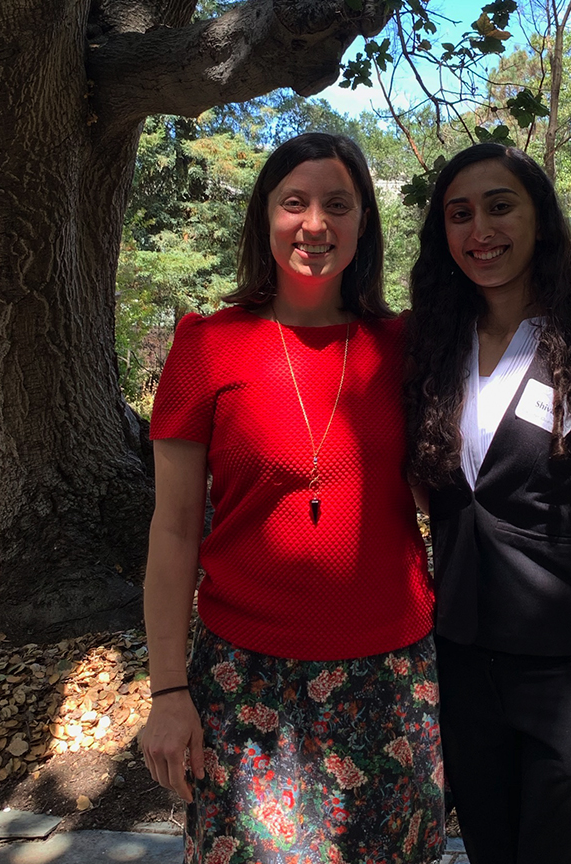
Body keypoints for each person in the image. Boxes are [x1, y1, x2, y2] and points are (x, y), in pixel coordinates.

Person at [141, 133, 445, 864]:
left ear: (364, 220)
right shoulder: (207, 346)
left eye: (338, 204)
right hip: (245, 678)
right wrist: (167, 691)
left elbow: (445, 500)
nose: (316, 224)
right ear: (264, 217)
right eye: (295, 203)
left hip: (391, 677)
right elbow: (175, 531)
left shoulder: (406, 347)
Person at [405, 142, 571, 864]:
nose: (479, 230)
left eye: (500, 206)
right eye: (459, 214)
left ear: (540, 220)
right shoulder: (427, 347)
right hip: (461, 664)